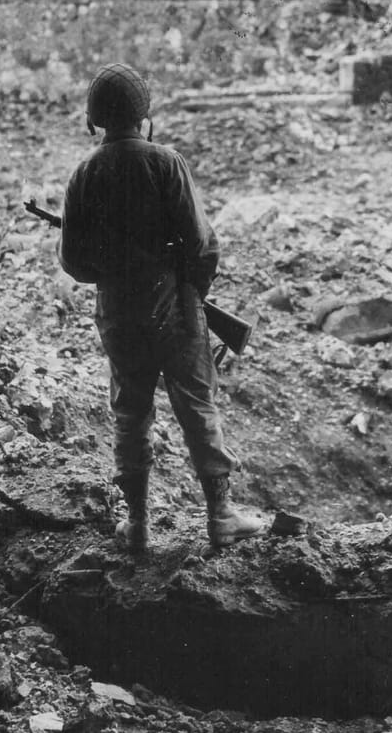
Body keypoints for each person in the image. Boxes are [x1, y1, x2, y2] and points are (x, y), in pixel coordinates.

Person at [59, 63, 266, 557]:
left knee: (130, 412)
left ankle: (137, 525)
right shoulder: (167, 162)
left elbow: (73, 262)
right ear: (144, 116)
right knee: (197, 404)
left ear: (94, 120)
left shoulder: (83, 173)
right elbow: (202, 245)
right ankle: (221, 516)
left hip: (118, 312)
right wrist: (192, 294)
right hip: (176, 308)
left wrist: (115, 271)